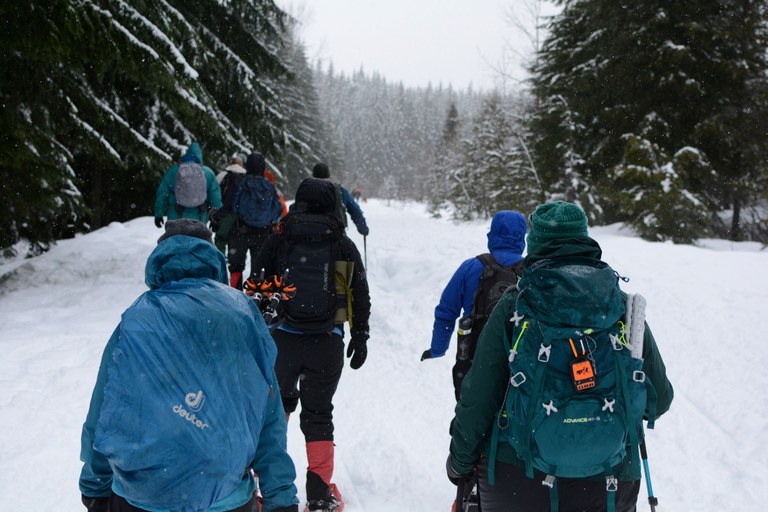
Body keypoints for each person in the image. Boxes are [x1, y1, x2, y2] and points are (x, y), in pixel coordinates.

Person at [447, 201, 674, 512]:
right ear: (584, 240)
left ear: (535, 245)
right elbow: (659, 399)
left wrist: (459, 463)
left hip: (518, 479)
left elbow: (479, 397)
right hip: (608, 482)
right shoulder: (622, 307)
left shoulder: (515, 306)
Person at [79, 219, 299, 512]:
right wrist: (279, 494)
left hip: (141, 496)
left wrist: (95, 484)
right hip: (226, 496)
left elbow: (105, 407)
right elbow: (266, 411)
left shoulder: (137, 320)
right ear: (213, 260)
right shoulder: (241, 315)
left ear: (157, 263)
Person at [251, 177, 371, 512]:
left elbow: (256, 282)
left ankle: (265, 491)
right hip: (326, 342)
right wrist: (360, 334)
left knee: (276, 412)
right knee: (318, 413)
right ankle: (319, 495)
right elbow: (358, 292)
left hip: (282, 340)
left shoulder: (281, 236)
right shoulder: (340, 241)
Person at [420, 210, 527, 401]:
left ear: (492, 235)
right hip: (519, 363)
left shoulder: (472, 267)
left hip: (473, 359)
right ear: (522, 238)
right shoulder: (531, 271)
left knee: (470, 417)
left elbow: (446, 312)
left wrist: (437, 349)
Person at [227, 152, 283, 289]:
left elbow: (235, 205)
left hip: (241, 229)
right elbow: (278, 209)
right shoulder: (269, 185)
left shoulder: (242, 182)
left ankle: (235, 293)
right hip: (262, 232)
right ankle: (256, 296)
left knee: (236, 266)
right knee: (259, 265)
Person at [153, 141, 222, 227]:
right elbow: (215, 197)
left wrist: (158, 214)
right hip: (199, 218)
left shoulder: (174, 171)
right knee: (197, 239)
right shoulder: (207, 173)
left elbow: (162, 193)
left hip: (176, 216)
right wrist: (215, 218)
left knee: (175, 239)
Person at [311, 163, 369, 236]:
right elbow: (355, 210)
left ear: (313, 176)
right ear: (328, 176)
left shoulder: (305, 190)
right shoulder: (339, 191)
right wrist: (363, 229)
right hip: (335, 237)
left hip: (306, 237)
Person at [211, 152, 248, 254]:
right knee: (235, 241)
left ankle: (220, 262)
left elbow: (214, 195)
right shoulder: (247, 177)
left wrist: (214, 215)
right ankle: (233, 262)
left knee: (220, 239)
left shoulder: (222, 175)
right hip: (240, 217)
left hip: (223, 213)